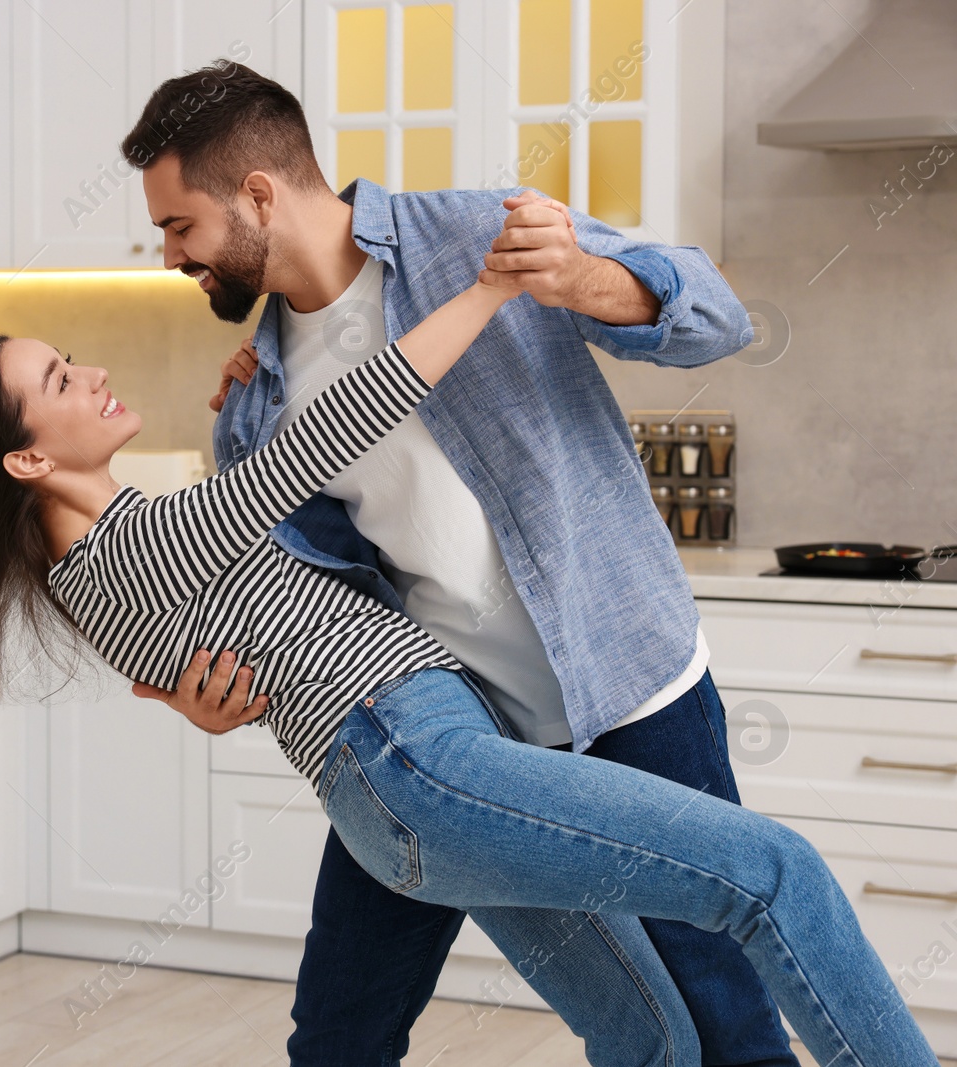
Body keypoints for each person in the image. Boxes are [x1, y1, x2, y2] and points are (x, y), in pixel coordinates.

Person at [0, 288, 938, 1067]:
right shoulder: (133, 548)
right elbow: (328, 442)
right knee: (770, 871)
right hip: (419, 765)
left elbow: (274, 571)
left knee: (651, 1037)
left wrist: (246, 395)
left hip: (424, 774)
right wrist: (486, 286)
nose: (95, 371)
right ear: (26, 457)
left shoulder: (113, 551)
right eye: (62, 377)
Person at [118, 61, 801, 1066]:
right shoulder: (256, 404)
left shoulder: (476, 232)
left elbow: (716, 314)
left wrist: (584, 279)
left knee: (719, 1011)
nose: (171, 255)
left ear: (257, 195)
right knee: (341, 1025)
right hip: (442, 733)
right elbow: (291, 612)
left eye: (180, 227)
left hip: (628, 690)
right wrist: (214, 689)